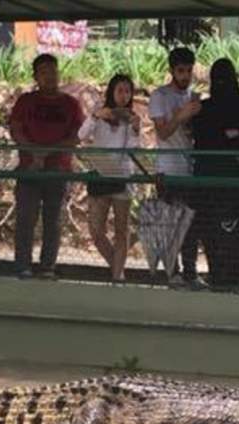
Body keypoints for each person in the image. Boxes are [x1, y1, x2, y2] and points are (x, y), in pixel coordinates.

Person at [9, 53, 84, 279]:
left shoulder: (71, 104)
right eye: (44, 72)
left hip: (57, 169)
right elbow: (16, 129)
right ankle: (23, 265)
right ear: (36, 76)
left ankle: (47, 266)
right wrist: (33, 152)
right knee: (25, 218)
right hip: (29, 169)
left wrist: (48, 152)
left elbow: (77, 135)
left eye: (53, 70)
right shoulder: (25, 101)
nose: (50, 76)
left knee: (53, 220)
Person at [190, 58, 239, 287]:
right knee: (229, 232)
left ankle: (222, 276)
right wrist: (229, 137)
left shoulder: (208, 110)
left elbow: (210, 140)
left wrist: (221, 138)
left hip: (216, 182)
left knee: (218, 232)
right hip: (235, 180)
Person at [149, 47, 206, 289]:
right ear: (172, 71)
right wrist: (181, 116)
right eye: (181, 71)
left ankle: (191, 272)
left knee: (191, 225)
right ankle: (173, 273)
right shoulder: (160, 96)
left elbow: (194, 135)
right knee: (171, 224)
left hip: (190, 170)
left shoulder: (193, 97)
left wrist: (195, 119)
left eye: (189, 71)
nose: (186, 76)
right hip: (168, 170)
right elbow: (162, 132)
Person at [79, 73, 141, 283]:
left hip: (123, 175)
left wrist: (134, 128)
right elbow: (82, 135)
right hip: (101, 172)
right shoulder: (100, 115)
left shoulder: (131, 118)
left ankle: (117, 276)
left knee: (121, 230)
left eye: (127, 91)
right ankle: (118, 267)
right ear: (111, 93)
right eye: (120, 90)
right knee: (96, 230)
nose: (124, 96)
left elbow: (133, 148)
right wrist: (96, 116)